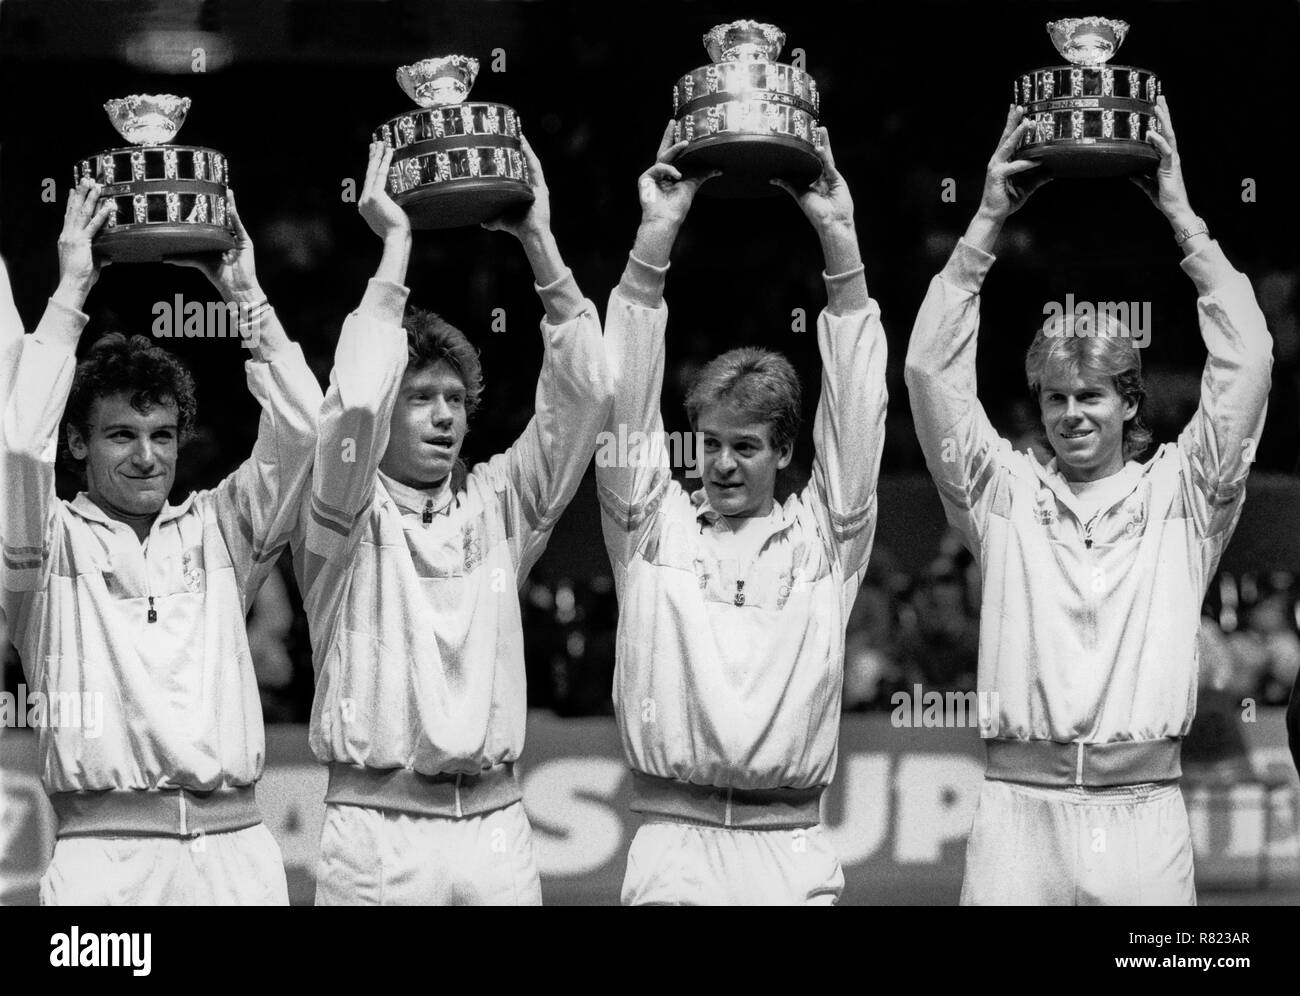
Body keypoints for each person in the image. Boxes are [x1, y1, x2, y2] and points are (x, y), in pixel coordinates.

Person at [904, 99, 1273, 905]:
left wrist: (1184, 220)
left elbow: (1248, 364)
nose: (1072, 414)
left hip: (1144, 814)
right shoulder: (1000, 496)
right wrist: (984, 226)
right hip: (1015, 815)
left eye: (1093, 397)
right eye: (1057, 398)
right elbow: (930, 376)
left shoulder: (1187, 494)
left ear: (1131, 403)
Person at [299, 138, 612, 905]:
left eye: (453, 400)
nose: (442, 416)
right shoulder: (341, 507)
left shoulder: (499, 504)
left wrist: (539, 243)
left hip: (499, 824)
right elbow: (355, 403)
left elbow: (593, 394)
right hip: (376, 832)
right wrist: (395, 250)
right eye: (420, 397)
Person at [0, 178, 326, 904]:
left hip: (239, 855)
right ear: (78, 444)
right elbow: (19, 447)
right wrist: (72, 289)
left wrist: (244, 292)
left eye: (161, 436)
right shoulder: (46, 545)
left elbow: (308, 426)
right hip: (104, 867)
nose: (146, 457)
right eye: (121, 435)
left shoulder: (222, 528)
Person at [598, 124, 887, 905]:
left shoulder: (827, 542)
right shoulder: (651, 529)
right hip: (672, 851)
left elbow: (859, 415)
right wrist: (654, 239)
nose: (722, 464)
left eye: (747, 447)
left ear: (785, 450)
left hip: (790, 851)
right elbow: (622, 394)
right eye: (711, 444)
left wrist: (840, 244)